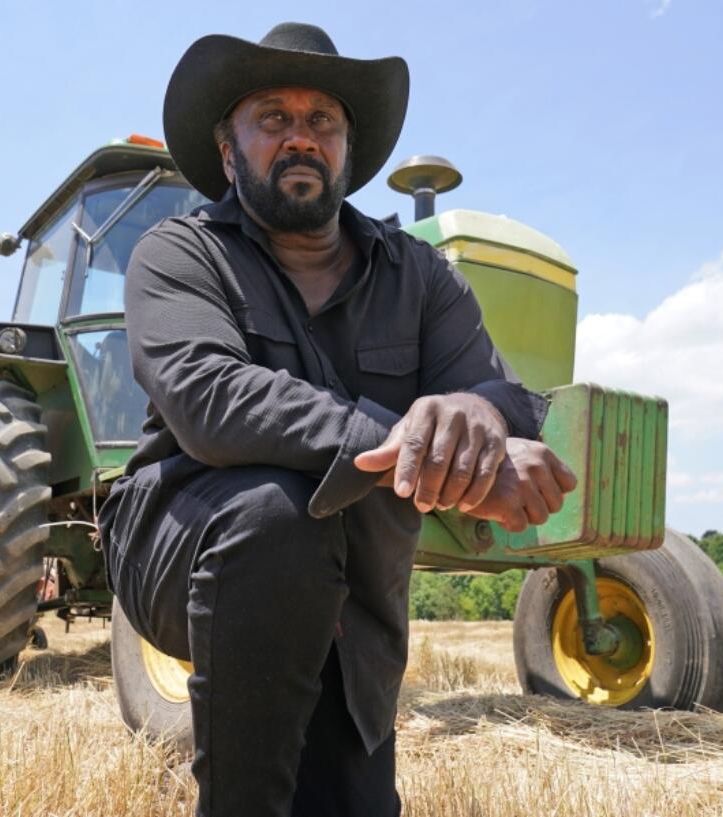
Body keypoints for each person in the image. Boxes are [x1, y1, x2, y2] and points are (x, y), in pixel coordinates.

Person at [97, 22, 577, 817]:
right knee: (277, 516)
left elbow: (499, 395)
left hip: (358, 591)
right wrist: (420, 447)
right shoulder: (180, 253)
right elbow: (209, 397)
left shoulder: (420, 275)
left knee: (351, 801)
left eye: (322, 120)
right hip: (186, 546)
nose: (301, 138)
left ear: (348, 150)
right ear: (228, 151)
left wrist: (474, 417)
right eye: (272, 118)